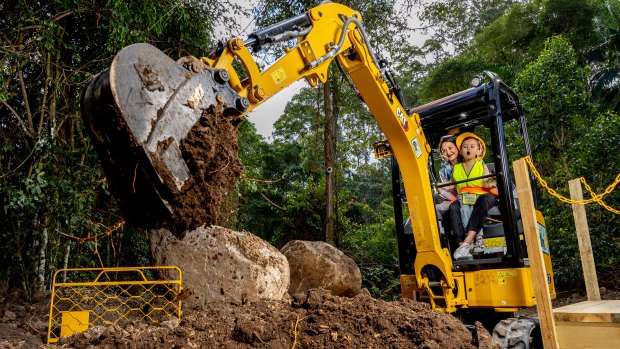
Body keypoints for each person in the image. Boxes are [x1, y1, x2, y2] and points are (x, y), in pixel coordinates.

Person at [449, 132, 498, 260]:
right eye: (465, 146)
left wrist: (493, 182)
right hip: (464, 196)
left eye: (472, 146)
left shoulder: (481, 165)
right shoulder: (457, 168)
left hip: (481, 194)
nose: (468, 149)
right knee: (454, 208)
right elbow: (451, 185)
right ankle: (462, 245)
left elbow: (486, 182)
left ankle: (473, 239)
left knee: (481, 202)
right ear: (460, 151)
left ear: (478, 151)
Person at [434, 135, 459, 211]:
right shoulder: (443, 171)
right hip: (455, 197)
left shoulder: (469, 162)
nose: (448, 152)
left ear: (457, 147)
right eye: (443, 151)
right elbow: (449, 191)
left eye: (450, 148)